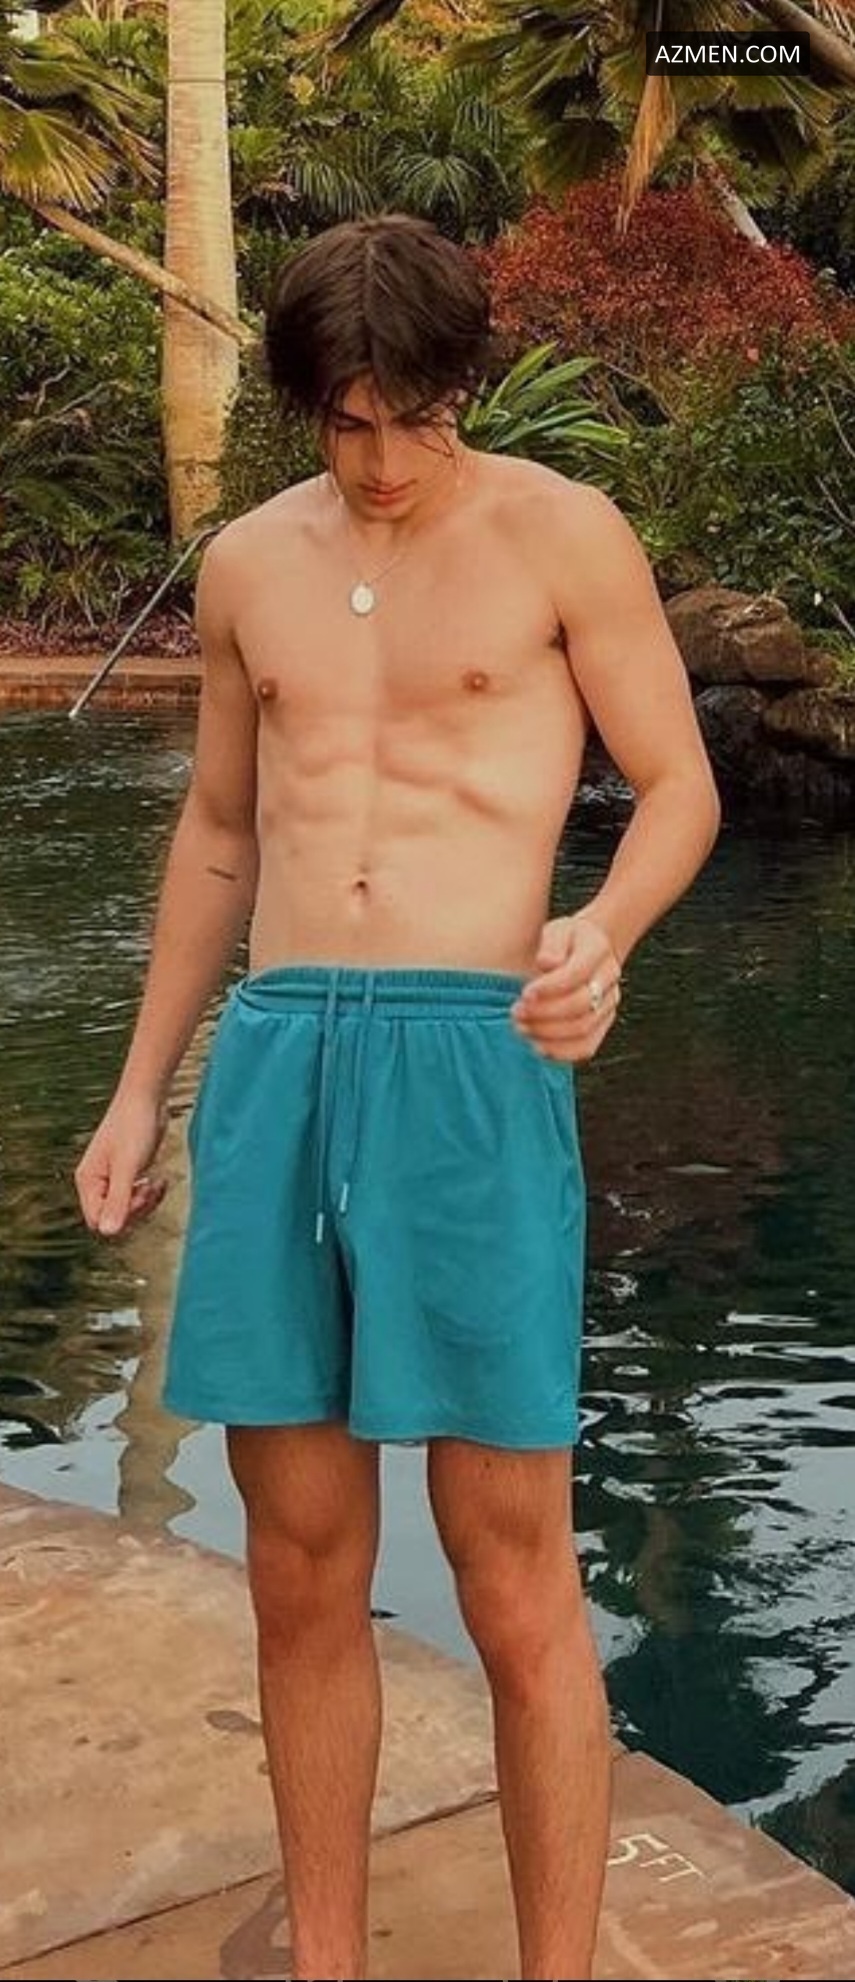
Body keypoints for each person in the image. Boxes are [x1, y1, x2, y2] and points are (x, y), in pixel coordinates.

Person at [75, 212, 720, 1981]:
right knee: (298, 1560)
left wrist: (601, 929)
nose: (380, 460)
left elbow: (678, 783)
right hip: (281, 1050)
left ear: (464, 384)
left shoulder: (563, 533)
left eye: (413, 418)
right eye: (346, 424)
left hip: (472, 1056)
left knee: (511, 1571)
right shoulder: (245, 564)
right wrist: (137, 1091)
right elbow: (221, 832)